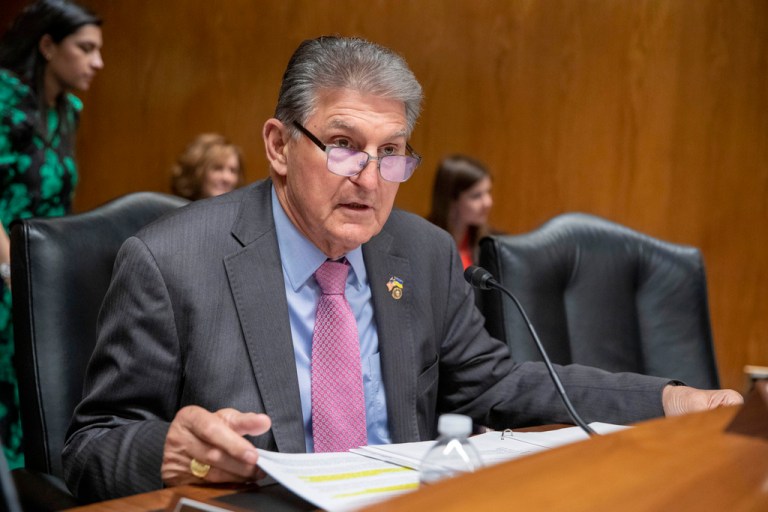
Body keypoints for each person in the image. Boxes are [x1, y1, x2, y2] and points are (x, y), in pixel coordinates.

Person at [62, 36, 742, 503]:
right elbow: (92, 448)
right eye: (342, 145)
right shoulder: (170, 262)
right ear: (277, 145)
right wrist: (166, 449)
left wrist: (670, 402)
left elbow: (501, 385)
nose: (370, 177)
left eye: (392, 153)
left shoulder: (420, 253)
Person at [0, 0, 103, 470]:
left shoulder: (70, 111)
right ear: (46, 45)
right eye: (85, 49)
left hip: (32, 274)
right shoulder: (2, 97)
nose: (96, 62)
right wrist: (12, 271)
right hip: (5, 272)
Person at [428, 154, 493, 269]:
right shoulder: (424, 241)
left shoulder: (490, 244)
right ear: (451, 200)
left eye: (488, 192)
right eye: (476, 196)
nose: (488, 202)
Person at [170, 133, 245, 200]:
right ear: (195, 171)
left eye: (233, 171)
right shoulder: (176, 213)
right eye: (218, 168)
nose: (227, 178)